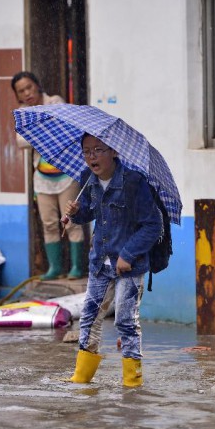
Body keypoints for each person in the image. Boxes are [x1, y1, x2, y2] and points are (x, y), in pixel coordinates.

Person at [64, 134, 162, 387]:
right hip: (100, 263)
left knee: (125, 321)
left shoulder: (134, 182)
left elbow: (153, 225)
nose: (92, 157)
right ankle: (82, 378)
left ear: (114, 152)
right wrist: (76, 214)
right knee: (89, 317)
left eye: (98, 150)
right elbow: (90, 213)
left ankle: (132, 381)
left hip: (130, 267)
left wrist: (128, 255)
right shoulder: (88, 180)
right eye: (86, 151)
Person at [12, 71, 85, 280]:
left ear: (37, 86)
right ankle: (55, 268)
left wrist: (36, 132)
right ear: (17, 95)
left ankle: (77, 268)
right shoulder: (23, 112)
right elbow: (20, 142)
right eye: (21, 91)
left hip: (66, 175)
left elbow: (62, 129)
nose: (27, 93)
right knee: (49, 223)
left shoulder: (54, 101)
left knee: (70, 220)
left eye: (29, 87)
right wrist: (45, 130)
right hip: (43, 177)